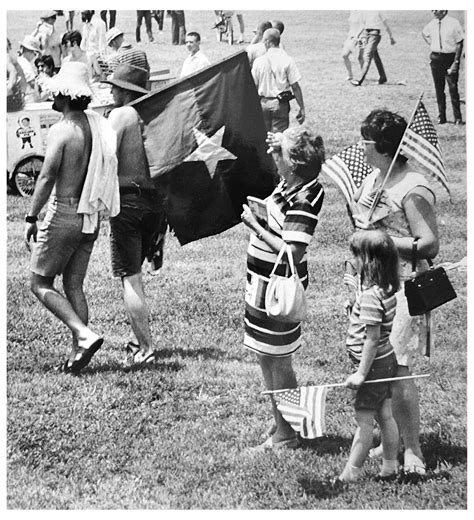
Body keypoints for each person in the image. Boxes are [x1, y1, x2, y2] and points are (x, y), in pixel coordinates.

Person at [351, 109, 440, 476]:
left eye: (366, 142)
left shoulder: (413, 186)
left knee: (399, 368)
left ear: (384, 147)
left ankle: (413, 449)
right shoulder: (375, 177)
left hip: (402, 289)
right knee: (381, 369)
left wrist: (381, 239)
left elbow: (429, 244)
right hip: (371, 286)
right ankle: (390, 440)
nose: (361, 147)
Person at [24, 61, 119, 374]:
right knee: (74, 284)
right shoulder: (95, 125)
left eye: (57, 92)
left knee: (39, 283)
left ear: (66, 94)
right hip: (90, 214)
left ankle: (84, 334)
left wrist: (31, 216)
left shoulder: (62, 130)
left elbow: (47, 175)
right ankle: (78, 352)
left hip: (64, 212)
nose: (53, 96)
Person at [240, 126, 325, 451]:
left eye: (280, 153)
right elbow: (281, 153)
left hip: (279, 289)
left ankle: (287, 433)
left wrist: (257, 227)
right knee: (267, 355)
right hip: (262, 283)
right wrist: (281, 144)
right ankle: (282, 423)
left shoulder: (305, 196)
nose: (274, 156)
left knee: (277, 359)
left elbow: (292, 251)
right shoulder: (290, 183)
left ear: (294, 163)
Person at [102, 64, 167, 368]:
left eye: (114, 87)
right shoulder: (154, 113)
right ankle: (139, 340)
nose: (111, 91)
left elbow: (104, 155)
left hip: (128, 201)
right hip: (155, 202)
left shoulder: (121, 115)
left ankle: (146, 347)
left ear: (126, 90)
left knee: (131, 278)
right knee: (135, 275)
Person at [338, 229, 400, 482]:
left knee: (364, 422)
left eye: (357, 257)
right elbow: (373, 325)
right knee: (385, 416)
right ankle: (390, 467)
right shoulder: (385, 289)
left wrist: (361, 374)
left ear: (369, 261)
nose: (354, 262)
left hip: (373, 366)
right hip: (386, 361)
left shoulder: (372, 296)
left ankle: (349, 475)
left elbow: (372, 338)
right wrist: (355, 309)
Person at [252, 28, 305, 133]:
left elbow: (253, 85)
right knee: (279, 139)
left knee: (264, 138)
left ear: (267, 42)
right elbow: (295, 87)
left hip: (263, 103)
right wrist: (302, 107)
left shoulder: (259, 61)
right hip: (280, 104)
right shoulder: (287, 60)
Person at [422, 10, 465, 125]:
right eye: (433, 9)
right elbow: (424, 33)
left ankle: (457, 117)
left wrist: (456, 62)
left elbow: (460, 42)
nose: (434, 11)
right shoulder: (432, 23)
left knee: (453, 88)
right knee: (439, 89)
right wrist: (432, 44)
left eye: (437, 8)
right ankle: (442, 116)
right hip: (436, 58)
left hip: (449, 58)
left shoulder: (453, 23)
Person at [351, 11, 395, 86]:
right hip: (366, 34)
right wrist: (356, 36)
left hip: (374, 35)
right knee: (375, 56)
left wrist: (391, 37)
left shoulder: (379, 11)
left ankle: (360, 80)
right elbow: (363, 25)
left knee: (367, 56)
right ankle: (383, 77)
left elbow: (386, 24)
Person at [17, 35, 41, 103]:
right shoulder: (26, 64)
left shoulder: (19, 60)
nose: (35, 56)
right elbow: (32, 83)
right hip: (27, 99)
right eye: (35, 53)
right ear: (31, 51)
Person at [342, 11, 365, 81]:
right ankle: (350, 75)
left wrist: (357, 36)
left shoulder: (362, 13)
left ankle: (363, 75)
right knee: (344, 55)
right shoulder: (352, 12)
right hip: (350, 37)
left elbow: (363, 26)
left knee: (360, 58)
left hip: (360, 38)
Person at [7, 37, 26, 112]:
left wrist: (8, 88)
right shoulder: (13, 60)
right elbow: (23, 80)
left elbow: (13, 72)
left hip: (11, 99)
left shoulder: (6, 57)